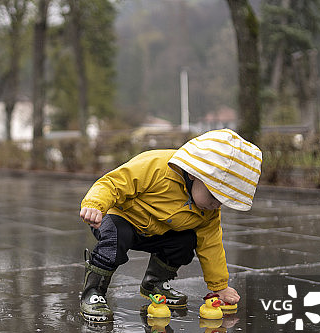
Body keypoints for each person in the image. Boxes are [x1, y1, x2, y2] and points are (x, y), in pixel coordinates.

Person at [78, 128, 262, 322]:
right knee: (115, 239)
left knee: (186, 240)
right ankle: (93, 291)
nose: (216, 205)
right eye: (214, 195)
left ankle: (154, 283)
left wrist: (220, 287)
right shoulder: (156, 166)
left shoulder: (208, 211)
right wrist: (94, 205)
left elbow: (211, 245)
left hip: (156, 232)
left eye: (223, 201)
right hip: (120, 218)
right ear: (194, 173)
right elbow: (112, 183)